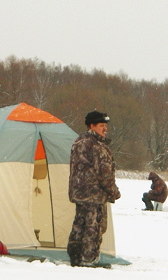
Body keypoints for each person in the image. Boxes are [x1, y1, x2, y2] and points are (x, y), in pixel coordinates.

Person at [67, 110, 121, 267]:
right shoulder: (97, 146)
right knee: (93, 227)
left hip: (79, 194)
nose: (105, 129)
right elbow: (104, 174)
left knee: (79, 225)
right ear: (92, 126)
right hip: (94, 196)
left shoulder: (78, 142)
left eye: (105, 126)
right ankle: (89, 260)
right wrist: (114, 191)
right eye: (101, 126)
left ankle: (76, 258)